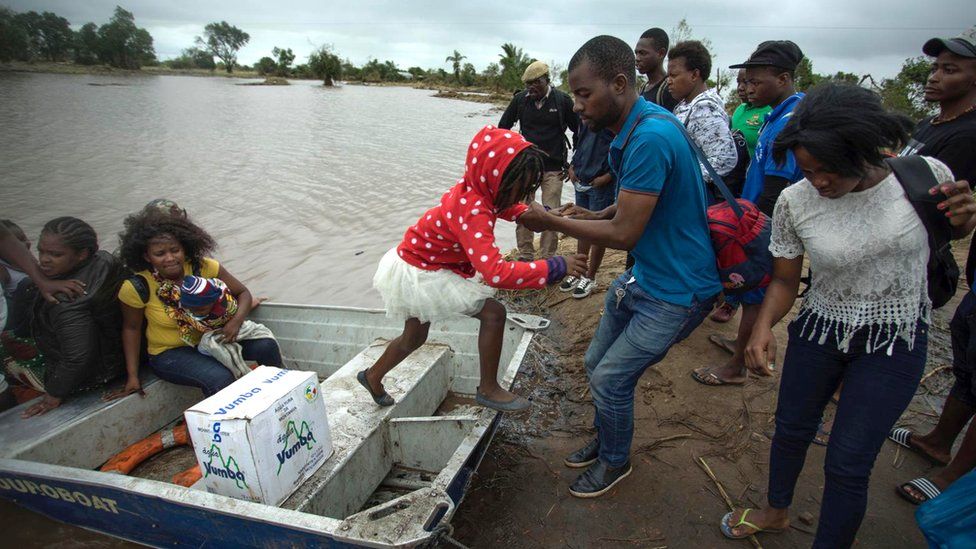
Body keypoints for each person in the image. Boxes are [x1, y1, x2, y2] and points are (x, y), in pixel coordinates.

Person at [718, 83, 976, 548]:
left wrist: (965, 220)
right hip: (819, 332)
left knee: (849, 461)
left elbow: (950, 234)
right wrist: (761, 328)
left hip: (894, 343)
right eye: (807, 169)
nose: (819, 182)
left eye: (829, 170)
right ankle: (776, 510)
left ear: (862, 151)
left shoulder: (923, 176)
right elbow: (782, 279)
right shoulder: (797, 201)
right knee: (792, 429)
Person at [519, 35, 721, 497]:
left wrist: (550, 219)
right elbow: (633, 206)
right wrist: (594, 213)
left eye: (585, 93)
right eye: (574, 94)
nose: (578, 105)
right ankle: (609, 433)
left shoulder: (650, 136)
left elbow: (627, 234)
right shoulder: (636, 127)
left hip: (678, 290)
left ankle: (615, 461)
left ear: (619, 83)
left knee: (611, 377)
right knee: (596, 363)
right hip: (645, 276)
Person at [362, 126, 587, 412]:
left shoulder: (478, 188)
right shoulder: (474, 210)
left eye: (528, 189)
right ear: (497, 180)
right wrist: (555, 266)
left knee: (414, 337)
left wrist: (532, 214)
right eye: (520, 189)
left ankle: (372, 376)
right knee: (494, 314)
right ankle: (489, 389)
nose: (524, 194)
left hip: (420, 259)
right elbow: (496, 273)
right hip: (420, 270)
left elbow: (504, 207)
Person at [889, 25, 976, 506]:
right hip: (912, 260)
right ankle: (938, 442)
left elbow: (945, 214)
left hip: (922, 261)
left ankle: (952, 483)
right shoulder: (931, 126)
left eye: (951, 69)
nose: (935, 77)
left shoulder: (969, 134)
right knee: (966, 366)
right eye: (935, 67)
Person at [694, 40, 805, 387]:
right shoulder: (778, 113)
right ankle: (739, 345)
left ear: (784, 78)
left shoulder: (793, 120)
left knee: (756, 295)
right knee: (750, 295)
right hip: (755, 214)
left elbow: (777, 189)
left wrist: (751, 234)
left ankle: (737, 368)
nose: (748, 88)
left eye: (756, 81)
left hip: (764, 224)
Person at [107, 211, 282, 399]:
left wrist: (236, 322)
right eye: (160, 254)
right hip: (169, 353)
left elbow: (243, 293)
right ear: (147, 256)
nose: (170, 258)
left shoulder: (205, 267)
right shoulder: (137, 287)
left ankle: (281, 398)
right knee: (220, 379)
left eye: (175, 250)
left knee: (266, 346)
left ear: (184, 248)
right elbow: (131, 329)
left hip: (213, 338)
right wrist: (132, 377)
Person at [15, 218, 127, 417]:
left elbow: (78, 357)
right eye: (41, 251)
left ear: (82, 254)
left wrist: (54, 393)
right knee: (26, 285)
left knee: (9, 358)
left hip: (93, 377)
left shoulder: (65, 300)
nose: (44, 260)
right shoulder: (104, 260)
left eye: (55, 254)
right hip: (117, 359)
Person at [499, 61, 580, 261]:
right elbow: (502, 128)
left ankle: (547, 258)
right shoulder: (520, 100)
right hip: (525, 170)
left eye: (535, 83)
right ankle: (525, 255)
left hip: (554, 168)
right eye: (528, 84)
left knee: (551, 214)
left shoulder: (562, 101)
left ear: (546, 80)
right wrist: (509, 158)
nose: (531, 88)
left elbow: (580, 130)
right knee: (523, 211)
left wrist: (575, 163)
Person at [710, 70, 773, 323]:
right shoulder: (738, 112)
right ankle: (727, 295)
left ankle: (737, 302)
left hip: (758, 193)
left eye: (748, 82)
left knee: (749, 252)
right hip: (735, 188)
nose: (742, 87)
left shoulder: (767, 112)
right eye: (739, 82)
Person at [667, 40, 738, 200]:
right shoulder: (687, 104)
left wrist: (683, 178)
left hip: (699, 196)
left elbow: (725, 157)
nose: (669, 81)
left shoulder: (704, 108)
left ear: (694, 75)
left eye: (674, 75)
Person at [560, 124, 615, 299]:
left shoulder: (612, 118)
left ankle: (590, 277)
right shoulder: (585, 117)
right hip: (581, 178)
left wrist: (609, 176)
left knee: (598, 230)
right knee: (581, 227)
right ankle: (578, 270)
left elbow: (621, 151)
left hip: (600, 182)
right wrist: (572, 166)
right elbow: (580, 142)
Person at [635, 27, 679, 112]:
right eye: (636, 53)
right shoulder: (642, 88)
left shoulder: (669, 89)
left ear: (661, 53)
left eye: (642, 53)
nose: (637, 58)